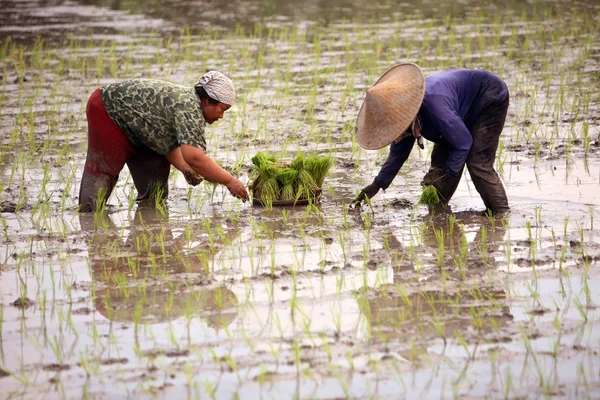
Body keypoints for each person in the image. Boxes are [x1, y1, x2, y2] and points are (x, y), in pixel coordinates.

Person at [78, 70, 249, 212]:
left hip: (141, 129)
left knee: (155, 191)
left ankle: (148, 236)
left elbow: (162, 139)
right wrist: (230, 181)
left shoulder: (190, 104)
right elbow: (195, 158)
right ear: (207, 101)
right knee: (103, 173)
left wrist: (185, 169)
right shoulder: (188, 108)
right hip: (108, 111)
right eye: (222, 109)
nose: (222, 116)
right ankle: (88, 223)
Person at [353, 63, 510, 214]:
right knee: (439, 163)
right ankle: (437, 212)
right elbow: (398, 155)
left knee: (477, 160)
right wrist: (377, 184)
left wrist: (448, 174)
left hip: (489, 97)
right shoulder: (404, 116)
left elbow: (463, 143)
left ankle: (500, 213)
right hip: (457, 109)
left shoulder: (435, 108)